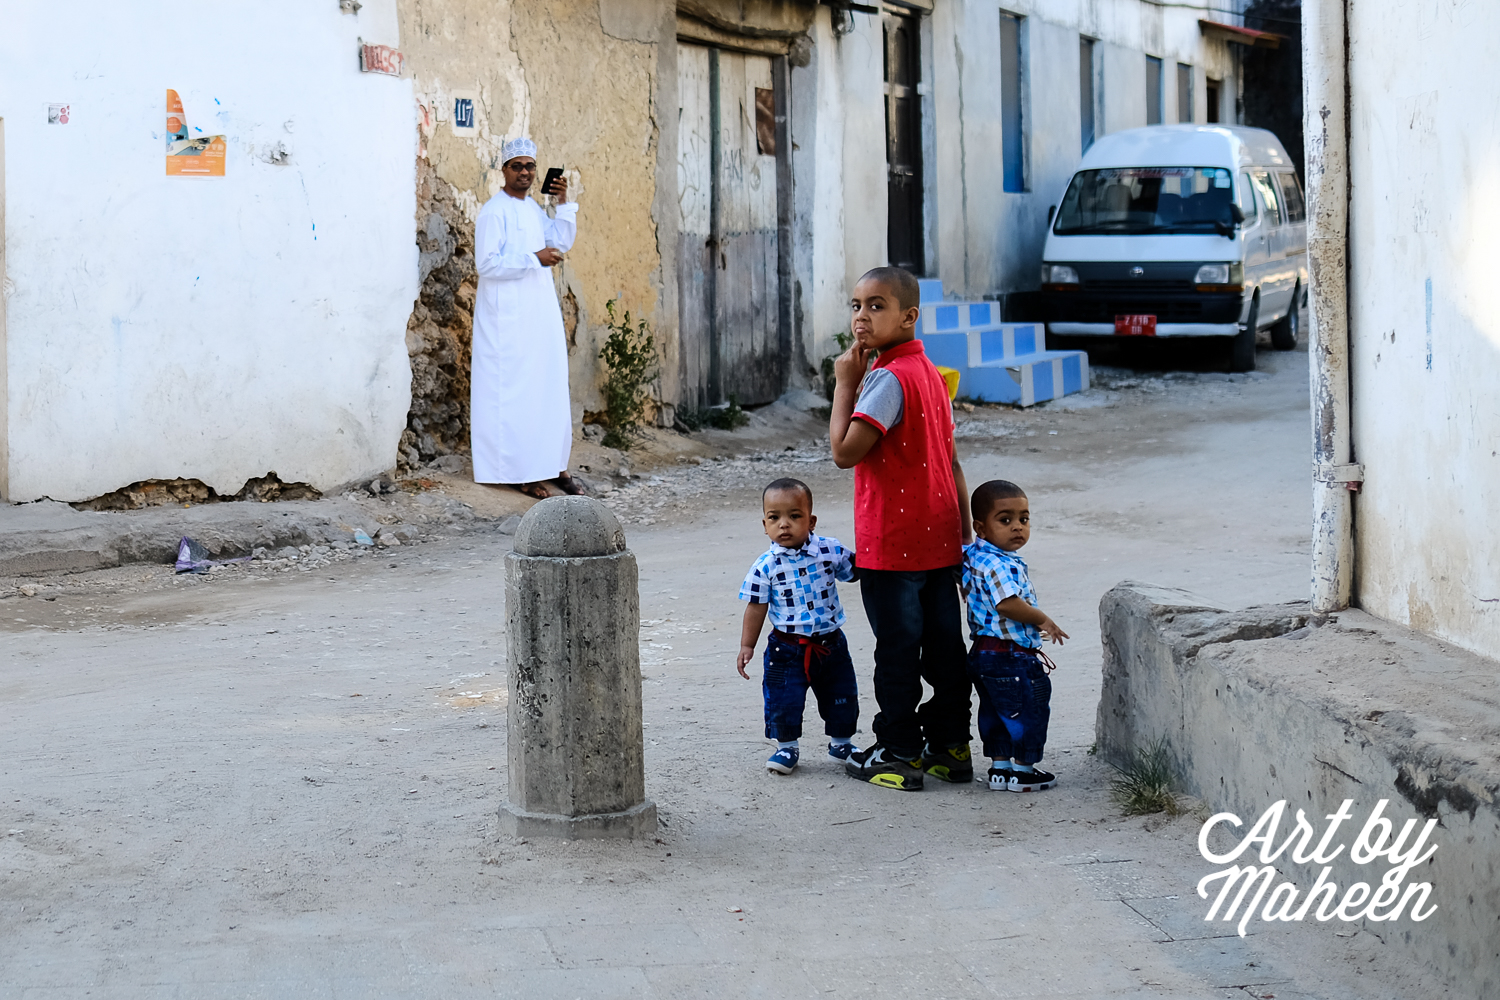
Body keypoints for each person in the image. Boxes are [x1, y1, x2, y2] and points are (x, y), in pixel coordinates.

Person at [828, 266, 973, 792]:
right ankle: (952, 746)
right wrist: (965, 537)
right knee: (942, 646)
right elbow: (953, 461)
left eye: (877, 306)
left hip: (893, 546)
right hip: (939, 537)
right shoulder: (930, 373)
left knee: (896, 651)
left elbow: (845, 453)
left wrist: (845, 384)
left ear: (909, 316)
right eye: (856, 305)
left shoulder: (886, 378)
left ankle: (898, 749)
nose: (861, 318)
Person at [470, 137, 586, 499]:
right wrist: (533, 258)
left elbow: (559, 242)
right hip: (507, 318)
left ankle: (554, 465)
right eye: (517, 166)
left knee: (546, 385)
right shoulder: (494, 211)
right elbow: (487, 263)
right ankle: (520, 472)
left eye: (530, 166)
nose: (525, 172)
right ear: (503, 170)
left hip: (539, 312)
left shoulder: (534, 209)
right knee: (515, 390)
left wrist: (563, 204)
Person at [736, 478, 860, 775]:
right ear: (764, 524)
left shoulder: (830, 551)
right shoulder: (765, 565)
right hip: (786, 648)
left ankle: (841, 743)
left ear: (811, 520)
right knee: (783, 696)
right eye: (774, 517)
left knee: (841, 693)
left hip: (831, 643)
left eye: (794, 516)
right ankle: (786, 747)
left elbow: (856, 571)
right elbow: (756, 606)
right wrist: (747, 645)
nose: (784, 525)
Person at [961, 479, 1068, 792]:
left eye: (1024, 518)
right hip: (1010, 655)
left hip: (983, 652)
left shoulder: (976, 555)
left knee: (995, 710)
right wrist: (1043, 620)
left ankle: (1000, 768)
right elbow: (1007, 604)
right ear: (981, 528)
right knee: (1029, 708)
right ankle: (1023, 770)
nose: (1017, 527)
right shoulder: (999, 565)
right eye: (1005, 520)